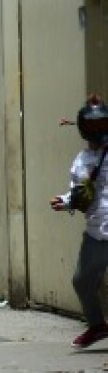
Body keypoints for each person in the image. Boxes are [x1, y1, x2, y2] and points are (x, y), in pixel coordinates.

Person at [51, 96, 108, 349]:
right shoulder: (81, 161)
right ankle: (96, 326)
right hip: (97, 231)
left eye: (102, 124)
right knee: (82, 280)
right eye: (92, 126)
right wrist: (64, 201)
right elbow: (78, 193)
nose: (98, 130)